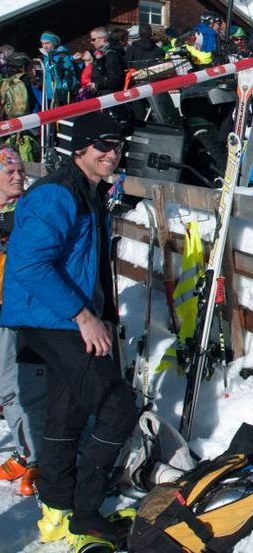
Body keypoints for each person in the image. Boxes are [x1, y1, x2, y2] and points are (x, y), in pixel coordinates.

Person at [1, 112, 138, 545]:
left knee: (67, 414)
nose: (112, 154)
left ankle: (59, 508)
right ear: (79, 148)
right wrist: (83, 315)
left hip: (59, 316)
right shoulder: (56, 195)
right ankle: (86, 511)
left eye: (117, 146)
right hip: (53, 318)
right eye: (102, 145)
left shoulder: (87, 191)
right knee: (117, 408)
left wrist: (102, 313)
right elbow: (29, 265)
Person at [0, 147, 45, 496]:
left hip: (19, 310)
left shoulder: (29, 210)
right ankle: (23, 450)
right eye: (9, 172)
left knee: (17, 385)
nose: (18, 177)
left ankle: (36, 458)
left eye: (19, 171)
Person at [38, 32, 79, 108]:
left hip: (61, 94)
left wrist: (67, 89)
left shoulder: (62, 55)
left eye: (47, 43)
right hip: (49, 94)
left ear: (54, 43)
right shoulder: (46, 56)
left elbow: (70, 73)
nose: (44, 46)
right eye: (42, 43)